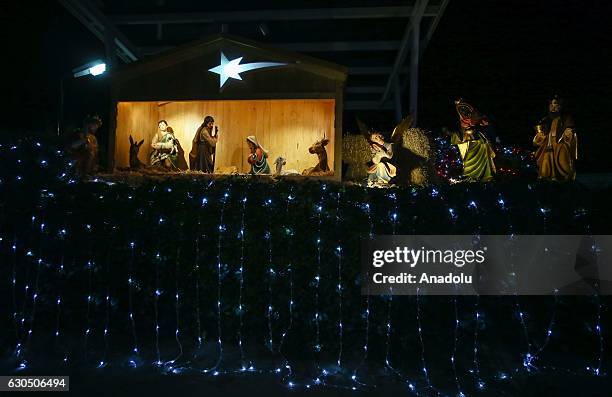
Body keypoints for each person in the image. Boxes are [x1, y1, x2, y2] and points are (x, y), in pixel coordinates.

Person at [533, 95, 577, 181]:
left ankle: (565, 176)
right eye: (551, 105)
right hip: (547, 144)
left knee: (562, 157)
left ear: (560, 106)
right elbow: (540, 133)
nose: (553, 108)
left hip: (559, 143)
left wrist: (568, 132)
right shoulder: (545, 120)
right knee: (545, 162)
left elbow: (570, 128)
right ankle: (546, 177)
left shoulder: (565, 118)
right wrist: (540, 133)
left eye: (556, 105)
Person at [451, 99, 496, 182]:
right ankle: (471, 174)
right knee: (472, 148)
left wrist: (480, 122)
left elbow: (478, 120)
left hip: (476, 137)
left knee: (482, 145)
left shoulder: (470, 110)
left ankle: (484, 174)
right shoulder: (462, 110)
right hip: (468, 136)